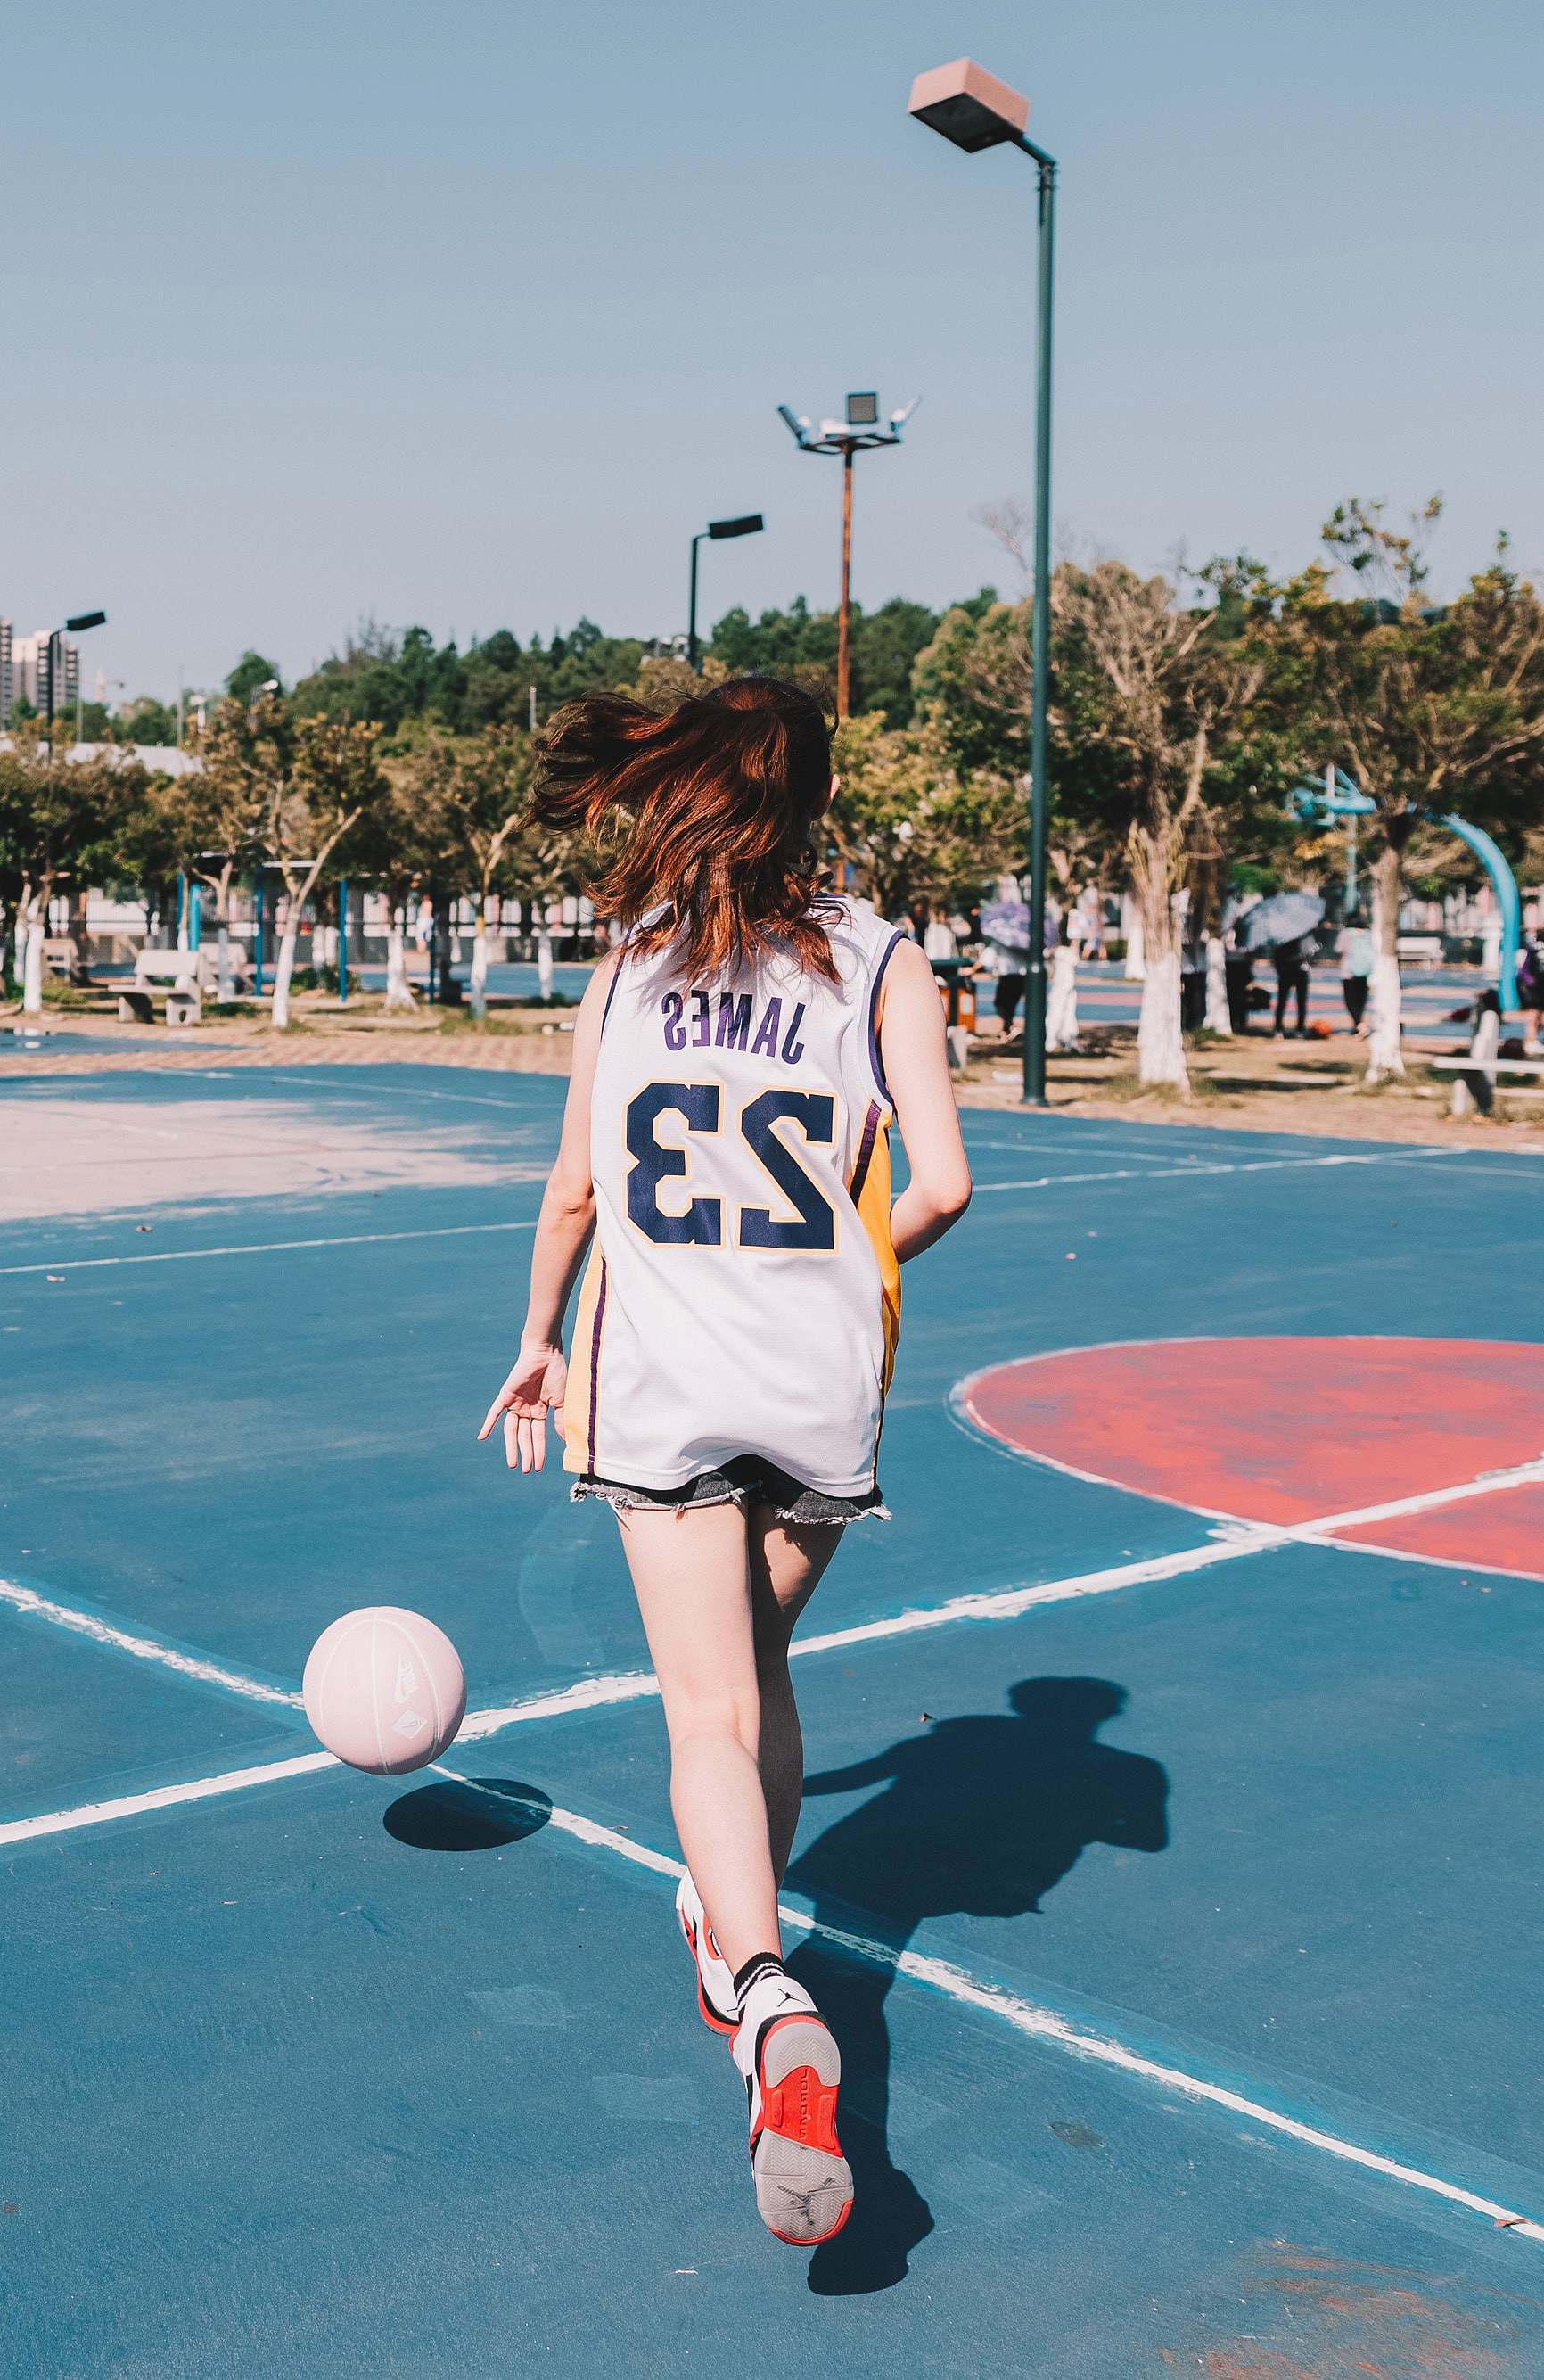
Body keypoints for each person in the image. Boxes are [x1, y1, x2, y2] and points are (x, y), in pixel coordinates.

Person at [478, 676, 973, 2250]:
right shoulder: (886, 956)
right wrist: (835, 1256)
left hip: (669, 1370)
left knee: (707, 1700)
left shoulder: (624, 972)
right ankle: (734, 1899)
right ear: (816, 795)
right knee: (756, 1654)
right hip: (824, 1372)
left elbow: (572, 1185)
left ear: (682, 789)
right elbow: (944, 1183)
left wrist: (538, 1334)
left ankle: (762, 1993)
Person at [1339, 919, 1376, 1032]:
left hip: (1349, 971)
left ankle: (1359, 1023)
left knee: (1350, 1000)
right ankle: (1358, 1023)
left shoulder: (1346, 933)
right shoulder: (1369, 934)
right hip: (1365, 970)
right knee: (1361, 999)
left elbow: (1339, 948)